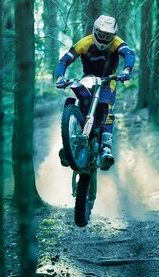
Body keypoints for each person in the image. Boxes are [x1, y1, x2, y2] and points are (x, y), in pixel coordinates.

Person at [54, 15, 135, 171]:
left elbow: (129, 54)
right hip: (88, 78)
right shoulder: (85, 42)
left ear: (114, 35)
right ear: (95, 31)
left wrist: (126, 70)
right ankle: (69, 144)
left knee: (106, 106)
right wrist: (60, 77)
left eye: (108, 36)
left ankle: (106, 148)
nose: (104, 39)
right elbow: (64, 60)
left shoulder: (118, 43)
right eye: (101, 34)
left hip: (108, 80)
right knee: (79, 100)